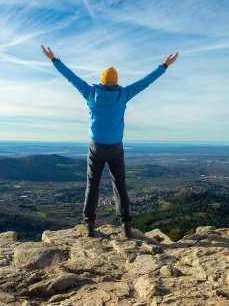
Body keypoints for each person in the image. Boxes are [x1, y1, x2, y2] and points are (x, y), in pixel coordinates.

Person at [41, 45, 178, 238]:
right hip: (116, 148)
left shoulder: (90, 93)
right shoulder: (123, 94)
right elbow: (145, 82)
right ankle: (126, 226)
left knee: (92, 184)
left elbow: (70, 77)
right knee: (119, 184)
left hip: (96, 147)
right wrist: (164, 65)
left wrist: (54, 60)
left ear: (102, 81)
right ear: (115, 82)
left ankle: (89, 225)